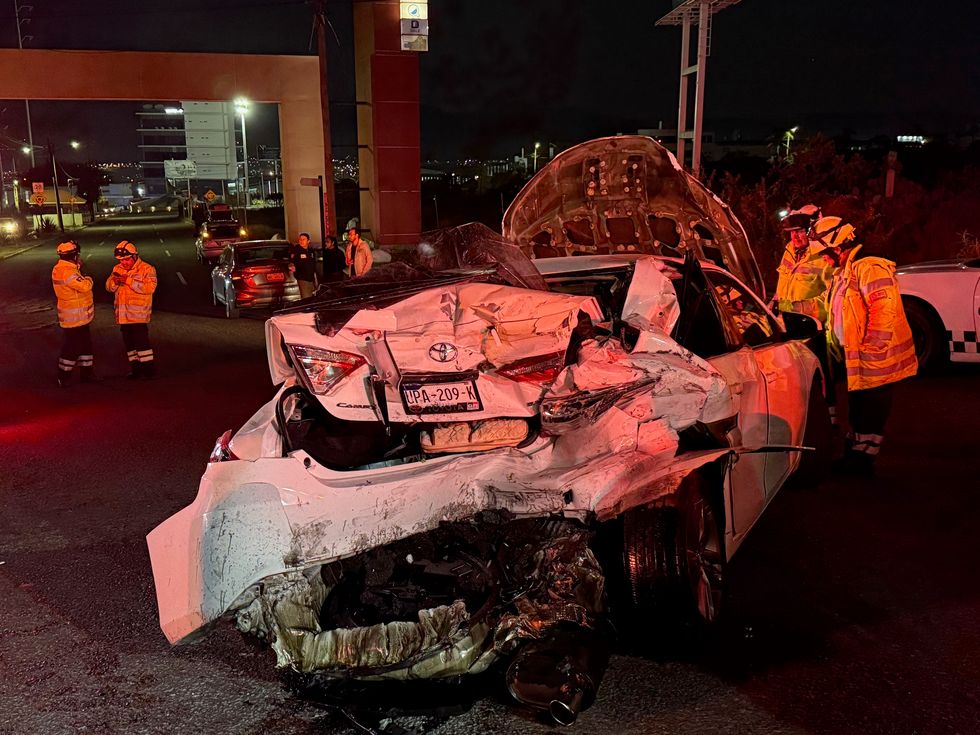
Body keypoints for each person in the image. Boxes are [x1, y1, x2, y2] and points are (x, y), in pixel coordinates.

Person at [815, 216, 917, 477]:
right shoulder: (846, 270)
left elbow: (884, 308)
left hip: (875, 357)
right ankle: (855, 454)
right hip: (859, 357)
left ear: (838, 246)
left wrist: (873, 346)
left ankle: (863, 461)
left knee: (872, 409)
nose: (823, 259)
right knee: (859, 408)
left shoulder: (869, 266)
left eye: (824, 253)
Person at [106, 240, 158, 379]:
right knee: (129, 344)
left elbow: (150, 288)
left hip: (138, 316)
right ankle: (136, 370)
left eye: (126, 259)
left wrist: (128, 281)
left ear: (134, 256)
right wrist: (114, 282)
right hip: (123, 316)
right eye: (121, 260)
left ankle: (149, 371)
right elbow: (108, 287)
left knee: (142, 344)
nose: (124, 263)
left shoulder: (147, 269)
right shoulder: (117, 268)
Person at [773, 204, 834, 321]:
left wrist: (798, 309)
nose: (795, 237)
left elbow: (831, 299)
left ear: (813, 231)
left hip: (810, 324)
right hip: (786, 321)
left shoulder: (825, 257)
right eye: (792, 232)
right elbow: (782, 287)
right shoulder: (789, 251)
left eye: (800, 231)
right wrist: (774, 305)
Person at [51, 240, 96, 387]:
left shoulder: (61, 268)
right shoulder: (68, 271)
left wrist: (78, 268)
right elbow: (84, 286)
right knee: (73, 346)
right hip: (74, 317)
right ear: (74, 256)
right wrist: (88, 278)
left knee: (85, 344)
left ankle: (87, 374)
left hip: (78, 317)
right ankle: (63, 376)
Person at [289, 232, 317, 298]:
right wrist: (292, 266)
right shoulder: (296, 250)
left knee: (313, 297)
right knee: (306, 297)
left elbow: (314, 264)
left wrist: (315, 278)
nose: (301, 241)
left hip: (311, 278)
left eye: (303, 239)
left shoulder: (311, 251)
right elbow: (291, 261)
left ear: (308, 241)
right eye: (300, 239)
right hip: (302, 278)